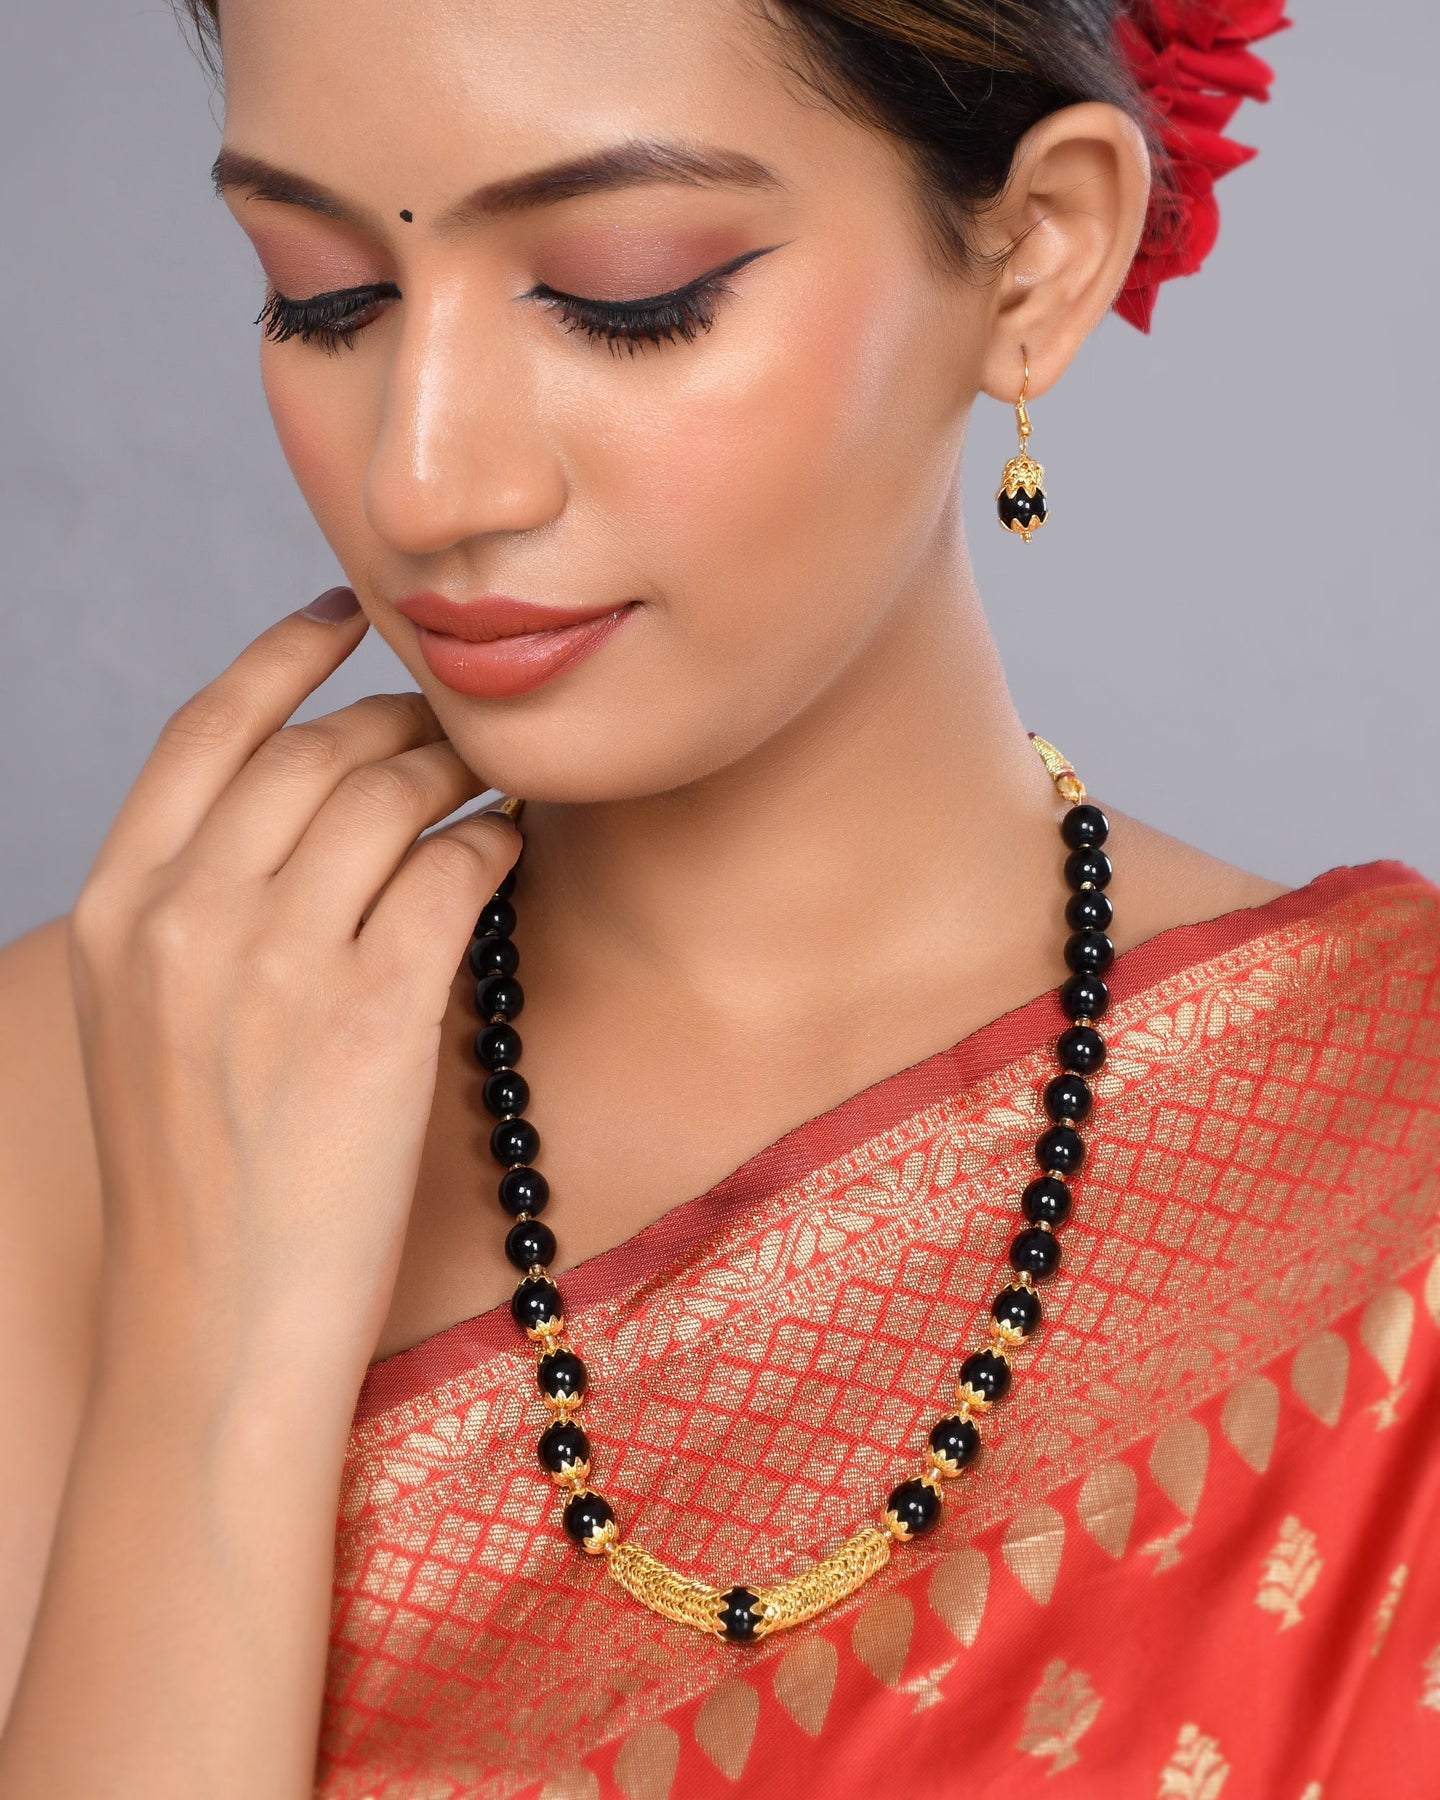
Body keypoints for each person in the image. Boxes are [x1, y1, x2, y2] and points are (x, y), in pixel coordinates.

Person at [0, 0, 1436, 1795]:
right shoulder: (72, 1100)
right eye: (324, 295)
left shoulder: (1399, 1143)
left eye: (627, 293)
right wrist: (210, 1370)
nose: (422, 481)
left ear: (1039, 255)